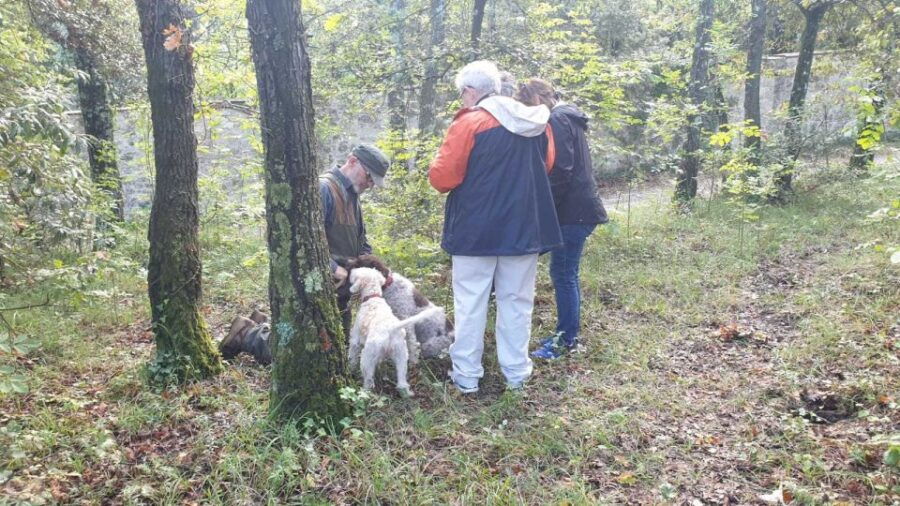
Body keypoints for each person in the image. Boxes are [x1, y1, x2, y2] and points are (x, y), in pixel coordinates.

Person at [428, 61, 562, 393]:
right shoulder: (537, 122)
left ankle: (466, 377)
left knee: (470, 303)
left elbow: (442, 178)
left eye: (462, 93)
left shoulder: (469, 123)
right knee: (517, 302)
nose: (462, 98)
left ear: (471, 91)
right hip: (524, 227)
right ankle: (517, 375)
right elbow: (547, 164)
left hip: (475, 230)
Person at [220, 144, 390, 365]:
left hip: (339, 292)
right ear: (352, 161)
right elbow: (302, 240)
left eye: (373, 181)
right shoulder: (324, 188)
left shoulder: (353, 196)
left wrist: (371, 269)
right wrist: (332, 268)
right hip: (315, 285)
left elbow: (361, 241)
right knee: (304, 355)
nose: (370, 184)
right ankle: (247, 333)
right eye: (369, 176)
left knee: (336, 350)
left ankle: (261, 324)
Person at [515, 79, 608, 360]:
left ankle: (566, 340)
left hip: (572, 213)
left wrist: (543, 209)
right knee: (565, 273)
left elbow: (561, 169)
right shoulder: (569, 117)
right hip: (579, 210)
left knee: (564, 274)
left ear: (539, 98)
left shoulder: (557, 119)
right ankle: (567, 335)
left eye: (528, 105)